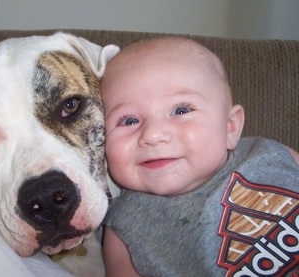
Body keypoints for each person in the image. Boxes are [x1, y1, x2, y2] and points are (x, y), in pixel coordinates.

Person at [100, 37, 299, 277]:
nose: (153, 135)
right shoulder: (124, 227)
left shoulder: (269, 154)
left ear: (230, 127)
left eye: (181, 110)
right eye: (128, 121)